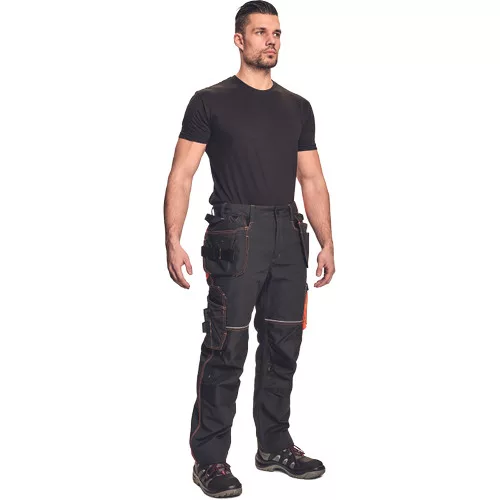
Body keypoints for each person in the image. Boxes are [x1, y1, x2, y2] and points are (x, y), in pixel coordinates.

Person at [164, 1, 335, 497]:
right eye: (260, 32)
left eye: (276, 33)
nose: (270, 41)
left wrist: (327, 241)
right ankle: (210, 460)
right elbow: (182, 173)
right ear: (239, 40)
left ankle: (274, 447)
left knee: (283, 346)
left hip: (288, 236)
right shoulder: (209, 101)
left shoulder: (297, 107)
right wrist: (172, 239)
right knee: (226, 347)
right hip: (235, 234)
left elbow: (311, 179)